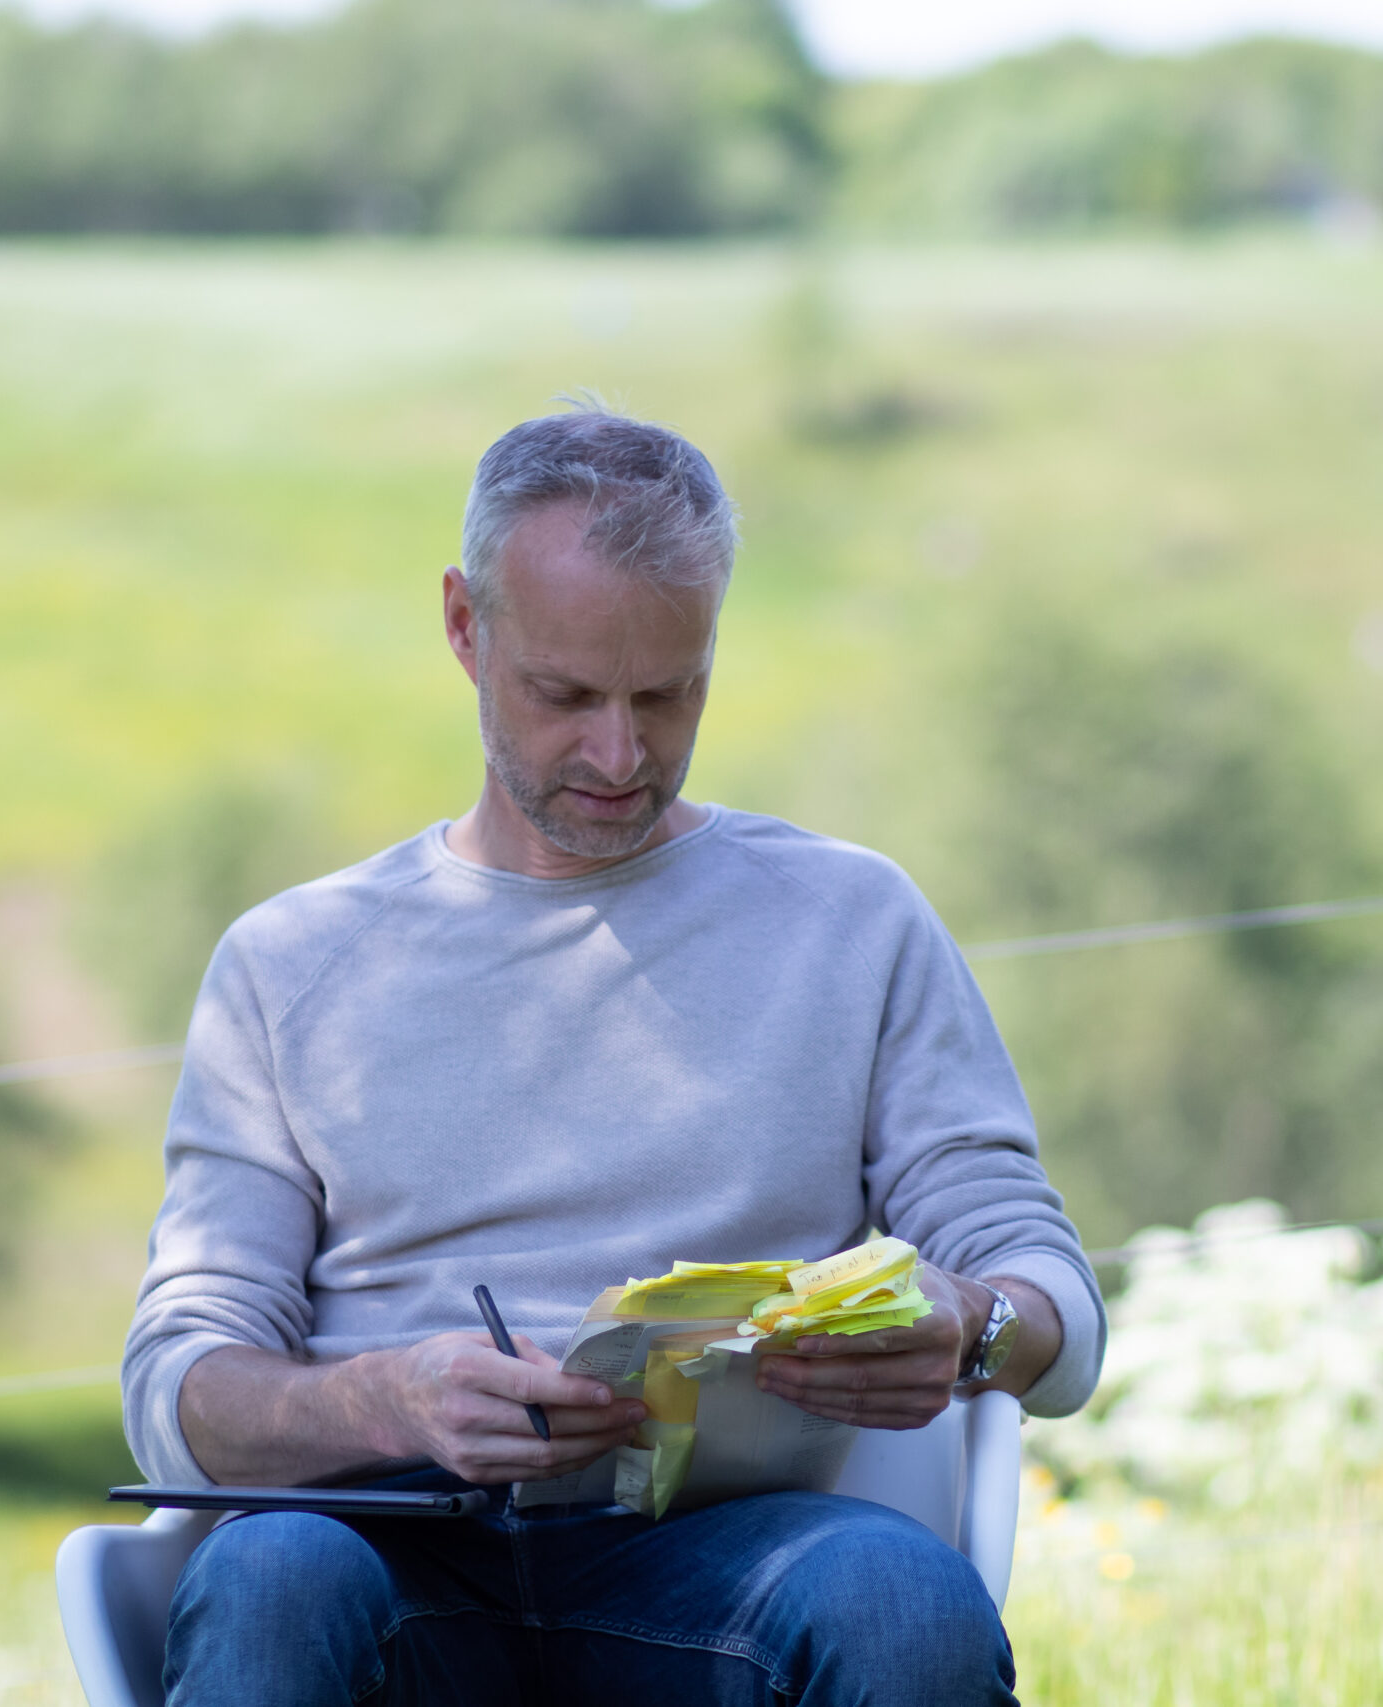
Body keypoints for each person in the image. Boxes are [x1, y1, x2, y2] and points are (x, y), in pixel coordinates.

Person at [122, 404, 1105, 1705]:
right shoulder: (291, 965)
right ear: (467, 629)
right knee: (272, 1582)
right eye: (565, 695)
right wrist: (386, 1404)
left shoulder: (852, 922)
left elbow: (1049, 1296)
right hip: (390, 1556)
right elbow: (178, 1384)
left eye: (667, 693)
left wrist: (978, 1331)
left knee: (899, 1598)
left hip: (726, 1561)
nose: (618, 753)